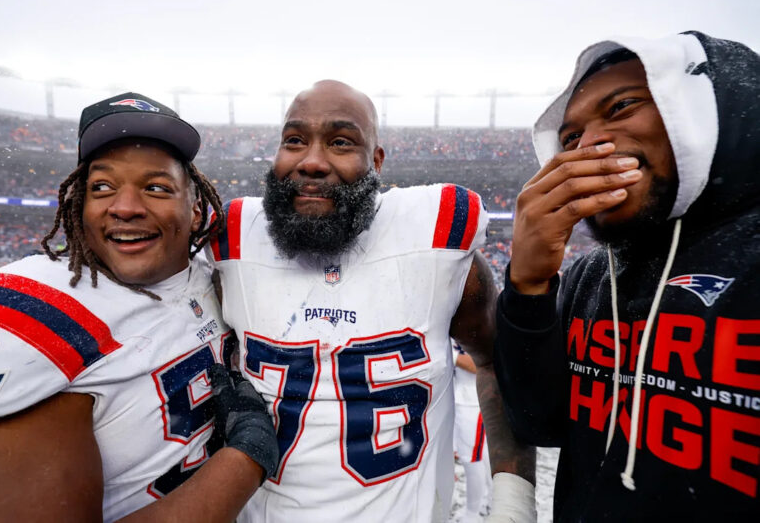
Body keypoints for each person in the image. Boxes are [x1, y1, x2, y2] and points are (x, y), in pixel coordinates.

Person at [0, 92, 278, 522]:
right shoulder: (40, 306)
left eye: (156, 187)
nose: (125, 207)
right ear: (79, 205)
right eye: (102, 187)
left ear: (196, 211)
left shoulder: (216, 278)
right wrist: (243, 459)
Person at [208, 80, 535, 522]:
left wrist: (514, 504)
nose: (311, 161)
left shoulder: (436, 238)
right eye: (294, 140)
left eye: (341, 142)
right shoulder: (234, 242)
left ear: (376, 161)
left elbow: (497, 363)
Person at [494, 32, 760, 520]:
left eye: (621, 107)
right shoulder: (590, 276)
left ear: (707, 106)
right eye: (569, 139)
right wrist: (527, 287)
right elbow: (540, 422)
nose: (589, 146)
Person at [453, 341, 493, 522]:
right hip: (460, 395)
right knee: (482, 455)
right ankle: (491, 500)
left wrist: (449, 355)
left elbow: (480, 364)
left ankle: (472, 514)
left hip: (472, 400)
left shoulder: (485, 323)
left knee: (471, 459)